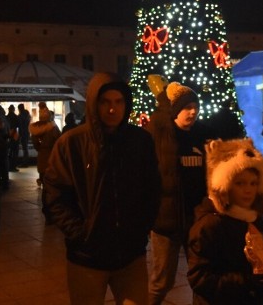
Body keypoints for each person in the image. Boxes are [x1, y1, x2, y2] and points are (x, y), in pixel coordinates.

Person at [43, 72, 160, 305]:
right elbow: (55, 196)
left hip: (130, 255)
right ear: (94, 104)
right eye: (105, 102)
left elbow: (152, 189)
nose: (112, 109)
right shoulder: (72, 143)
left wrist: (141, 228)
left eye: (118, 102)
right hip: (87, 258)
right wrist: (81, 234)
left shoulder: (140, 141)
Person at [187, 138, 263, 304]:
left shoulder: (253, 218)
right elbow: (200, 279)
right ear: (226, 185)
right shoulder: (209, 225)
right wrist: (248, 281)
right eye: (240, 183)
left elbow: (262, 260)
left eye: (253, 183)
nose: (248, 190)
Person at [147, 82, 212, 305]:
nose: (193, 111)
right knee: (162, 281)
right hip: (166, 221)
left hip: (196, 220)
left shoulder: (202, 135)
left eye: (196, 106)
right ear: (174, 111)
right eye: (187, 107)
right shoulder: (160, 136)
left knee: (202, 277)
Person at [29, 105, 61, 216]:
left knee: (44, 184)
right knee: (52, 187)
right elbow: (58, 142)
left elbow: (35, 144)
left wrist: (41, 149)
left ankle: (46, 209)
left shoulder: (36, 128)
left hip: (42, 158)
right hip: (52, 158)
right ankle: (51, 210)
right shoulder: (53, 128)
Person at [6, 104, 20, 171]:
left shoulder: (6, 117)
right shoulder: (16, 117)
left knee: (9, 152)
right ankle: (13, 166)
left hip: (8, 136)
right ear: (13, 110)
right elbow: (18, 126)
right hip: (15, 136)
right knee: (15, 152)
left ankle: (9, 166)